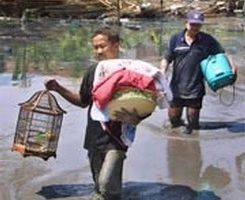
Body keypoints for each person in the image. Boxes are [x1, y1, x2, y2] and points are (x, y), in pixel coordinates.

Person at [45, 27, 141, 200]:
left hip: (117, 137)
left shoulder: (131, 72)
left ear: (116, 45)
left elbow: (145, 105)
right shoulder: (93, 71)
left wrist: (134, 116)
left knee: (106, 184)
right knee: (99, 187)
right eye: (95, 47)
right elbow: (83, 102)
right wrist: (58, 88)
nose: (98, 51)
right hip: (94, 137)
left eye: (102, 46)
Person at [160, 10, 237, 135]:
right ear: (186, 23)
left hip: (195, 89)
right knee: (173, 120)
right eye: (192, 24)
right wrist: (162, 71)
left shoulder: (207, 40)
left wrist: (233, 67)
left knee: (193, 125)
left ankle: (192, 147)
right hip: (176, 88)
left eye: (198, 25)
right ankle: (175, 145)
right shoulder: (175, 39)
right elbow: (166, 59)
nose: (195, 28)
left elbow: (223, 53)